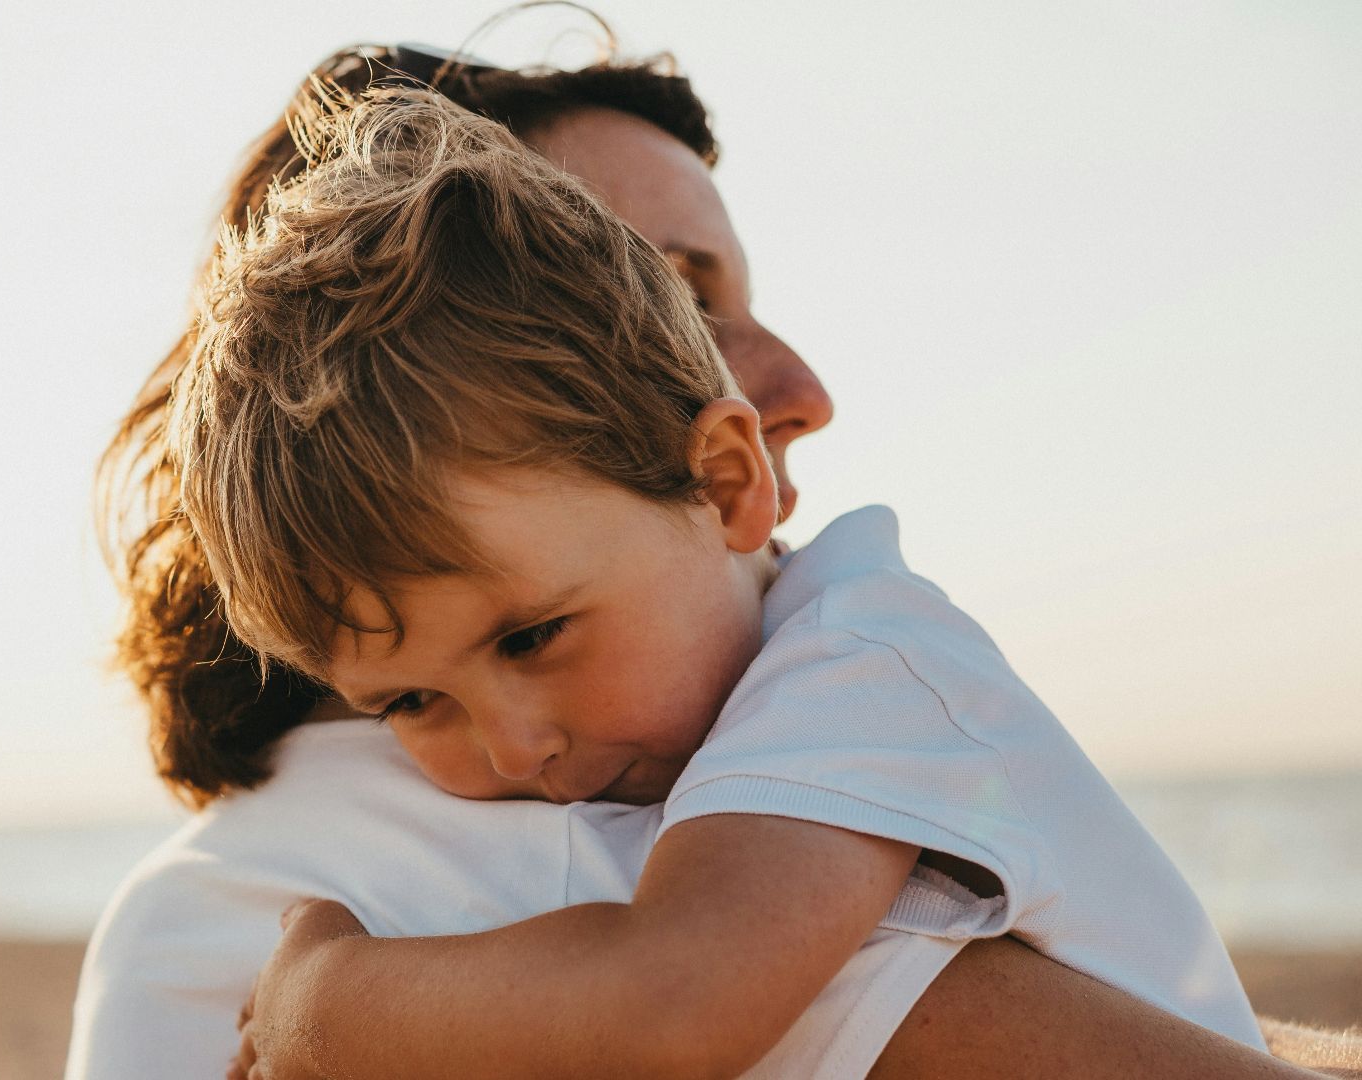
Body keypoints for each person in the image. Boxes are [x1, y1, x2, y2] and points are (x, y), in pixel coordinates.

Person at [70, 41, 1356, 1080]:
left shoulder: (842, 670)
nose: (807, 387)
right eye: (674, 296)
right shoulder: (523, 845)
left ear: (723, 479)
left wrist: (330, 1006)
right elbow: (676, 1000)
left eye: (528, 638)